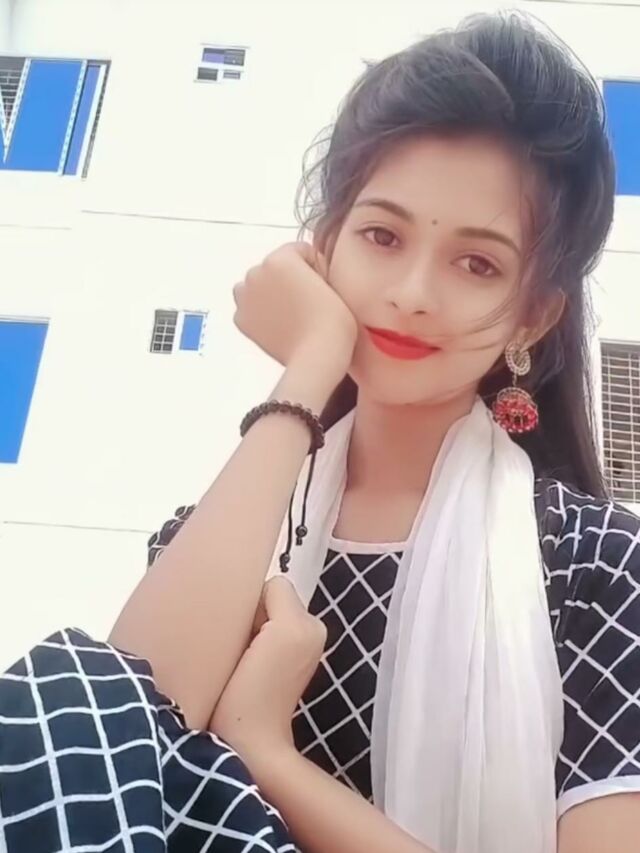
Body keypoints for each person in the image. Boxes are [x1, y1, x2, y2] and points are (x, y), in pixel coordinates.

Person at [2, 11, 640, 853]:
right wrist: (309, 365)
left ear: (533, 318)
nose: (412, 292)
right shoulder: (227, 537)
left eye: (477, 262)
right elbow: (101, 767)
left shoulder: (599, 567)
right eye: (382, 235)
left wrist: (269, 756)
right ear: (324, 247)